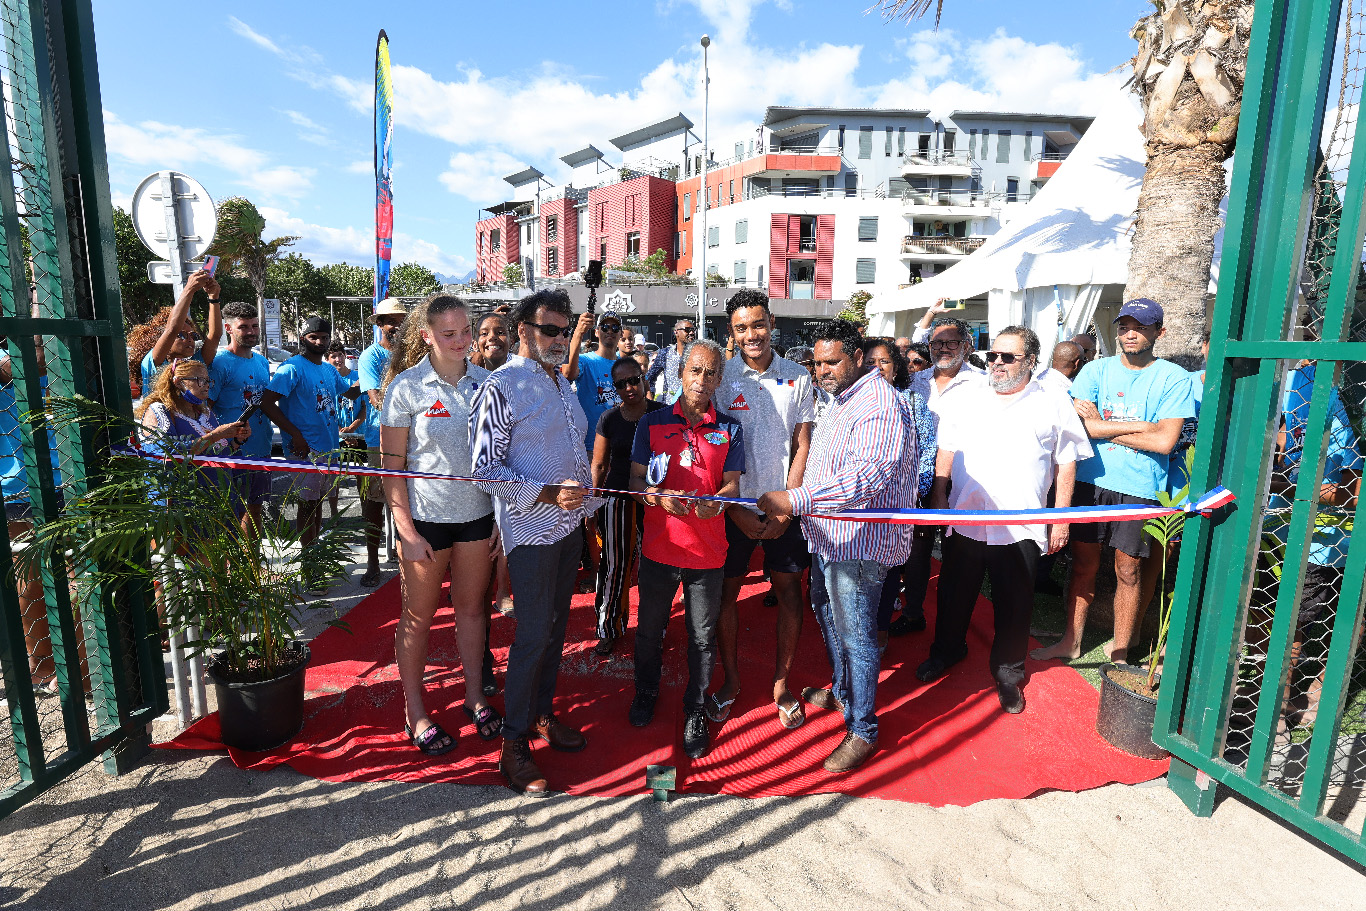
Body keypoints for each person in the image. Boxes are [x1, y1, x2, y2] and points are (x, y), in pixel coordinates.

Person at [755, 319, 916, 773]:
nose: (822, 370)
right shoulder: (839, 401)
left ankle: (863, 729)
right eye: (817, 362)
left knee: (858, 635)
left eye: (832, 361)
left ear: (858, 357)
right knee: (829, 619)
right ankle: (844, 693)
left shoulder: (880, 403)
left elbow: (867, 477)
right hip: (827, 537)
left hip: (860, 545)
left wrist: (796, 498)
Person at [470, 289, 603, 797]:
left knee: (553, 632)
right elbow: (483, 470)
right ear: (522, 330)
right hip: (529, 532)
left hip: (568, 529)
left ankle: (542, 716)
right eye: (550, 330)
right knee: (531, 637)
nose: (559, 339)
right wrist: (545, 492)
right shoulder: (502, 386)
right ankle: (512, 745)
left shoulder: (561, 384)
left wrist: (582, 494)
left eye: (565, 331)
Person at [917, 327, 1092, 713]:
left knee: (1015, 603)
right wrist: (940, 495)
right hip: (965, 518)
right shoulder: (966, 397)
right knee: (953, 594)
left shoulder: (1054, 403)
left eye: (1007, 357)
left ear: (1031, 361)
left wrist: (1060, 520)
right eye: (993, 354)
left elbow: (1067, 464)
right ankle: (947, 651)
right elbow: (946, 447)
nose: (996, 362)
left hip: (1022, 526)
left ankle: (1009, 673)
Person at [1032, 300, 1195, 664]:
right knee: (1083, 566)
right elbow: (1081, 428)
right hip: (1091, 481)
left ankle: (1120, 652)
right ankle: (1070, 642)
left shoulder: (1173, 378)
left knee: (1129, 569)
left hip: (1141, 488)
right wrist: (1143, 426)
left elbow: (1165, 442)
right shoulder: (1094, 371)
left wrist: (1104, 428)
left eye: (1140, 327)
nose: (1130, 334)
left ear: (1159, 332)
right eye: (1124, 327)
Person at [380, 295, 501, 755]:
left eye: (465, 331)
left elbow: (497, 460)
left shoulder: (488, 385)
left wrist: (500, 518)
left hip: (477, 520)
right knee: (418, 616)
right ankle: (416, 712)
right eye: (448, 334)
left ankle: (474, 697)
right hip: (425, 526)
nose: (460, 341)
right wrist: (406, 532)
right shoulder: (405, 388)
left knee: (473, 614)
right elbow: (392, 468)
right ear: (426, 335)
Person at [628, 339, 743, 759]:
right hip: (660, 549)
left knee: (701, 637)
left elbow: (733, 483)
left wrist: (723, 499)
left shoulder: (730, 428)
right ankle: (646, 691)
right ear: (681, 373)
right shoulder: (651, 423)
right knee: (649, 631)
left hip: (707, 554)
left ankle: (695, 708)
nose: (702, 379)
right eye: (695, 370)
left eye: (712, 372)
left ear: (719, 379)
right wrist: (655, 498)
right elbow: (635, 481)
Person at [709, 290, 814, 730]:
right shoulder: (722, 377)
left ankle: (781, 684)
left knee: (790, 593)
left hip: (784, 509)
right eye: (740, 328)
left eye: (757, 324)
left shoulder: (799, 377)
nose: (751, 335)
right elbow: (711, 448)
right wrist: (733, 508)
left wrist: (787, 507)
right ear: (730, 332)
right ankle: (731, 680)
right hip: (733, 507)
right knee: (725, 596)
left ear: (771, 322)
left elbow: (802, 443)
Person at [898, 317, 985, 635]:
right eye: (937, 343)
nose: (943, 349)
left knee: (957, 553)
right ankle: (913, 613)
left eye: (951, 342)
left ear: (966, 345)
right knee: (917, 550)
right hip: (920, 479)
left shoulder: (984, 383)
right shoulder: (916, 382)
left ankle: (951, 626)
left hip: (965, 480)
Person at [259, 317, 363, 552]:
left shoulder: (328, 369)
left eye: (324, 337)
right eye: (313, 337)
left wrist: (373, 376)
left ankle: (314, 556)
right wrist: (295, 435)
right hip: (305, 450)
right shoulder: (291, 368)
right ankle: (309, 564)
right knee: (307, 507)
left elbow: (351, 394)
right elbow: (266, 402)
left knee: (317, 505)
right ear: (303, 338)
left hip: (329, 447)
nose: (319, 341)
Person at [862, 337, 936, 651]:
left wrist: (916, 493)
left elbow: (927, 449)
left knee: (889, 567)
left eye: (884, 362)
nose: (876, 368)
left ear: (897, 368)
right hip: (860, 502)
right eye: (869, 362)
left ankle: (880, 632)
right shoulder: (853, 399)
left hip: (897, 503)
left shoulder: (912, 401)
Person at [589, 356, 665, 655]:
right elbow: (599, 463)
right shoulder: (608, 419)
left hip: (655, 500)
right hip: (617, 498)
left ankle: (652, 629)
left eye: (634, 379)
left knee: (654, 568)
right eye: (621, 384)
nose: (629, 387)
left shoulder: (663, 414)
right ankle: (609, 627)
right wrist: (593, 503)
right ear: (614, 387)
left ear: (643, 377)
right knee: (614, 566)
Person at [207, 302, 274, 538]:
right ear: (228, 328)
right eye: (243, 326)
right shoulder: (219, 363)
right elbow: (207, 409)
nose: (251, 331)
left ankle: (252, 568)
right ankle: (231, 570)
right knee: (230, 515)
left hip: (261, 448)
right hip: (231, 453)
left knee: (255, 511)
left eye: (254, 326)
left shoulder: (262, 361)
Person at [355, 298, 407, 587]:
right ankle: (373, 562)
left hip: (413, 439)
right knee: (375, 502)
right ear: (379, 324)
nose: (397, 326)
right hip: (380, 441)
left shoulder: (412, 355)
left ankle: (407, 561)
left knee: (409, 503)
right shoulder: (370, 357)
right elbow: (375, 399)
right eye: (391, 321)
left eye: (401, 320)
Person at [470, 311, 513, 612]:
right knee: (482, 535)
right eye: (484, 333)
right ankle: (478, 590)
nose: (492, 338)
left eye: (499, 332)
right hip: (472, 470)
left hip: (507, 467)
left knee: (505, 531)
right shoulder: (469, 376)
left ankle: (503, 592)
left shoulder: (519, 374)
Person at [126, 269, 222, 397]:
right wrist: (189, 289)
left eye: (193, 335)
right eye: (181, 335)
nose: (190, 339)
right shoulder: (154, 364)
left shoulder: (195, 364)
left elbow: (215, 336)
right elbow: (171, 329)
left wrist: (213, 298)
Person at [327, 341, 366, 522]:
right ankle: (334, 514)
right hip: (335, 435)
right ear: (327, 359)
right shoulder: (326, 378)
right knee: (334, 476)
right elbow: (325, 409)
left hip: (358, 435)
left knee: (361, 475)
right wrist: (341, 433)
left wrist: (352, 429)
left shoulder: (358, 376)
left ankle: (366, 512)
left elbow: (366, 407)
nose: (338, 359)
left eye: (340, 355)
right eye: (333, 356)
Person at [645, 318, 696, 402]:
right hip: (670, 407)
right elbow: (650, 377)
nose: (691, 333)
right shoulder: (665, 353)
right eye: (687, 330)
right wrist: (651, 397)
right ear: (676, 332)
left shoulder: (697, 355)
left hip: (692, 406)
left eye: (693, 330)